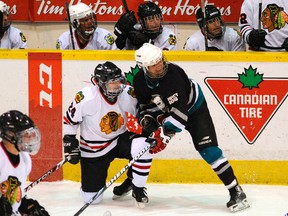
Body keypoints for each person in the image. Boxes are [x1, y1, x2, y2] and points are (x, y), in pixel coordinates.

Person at [126, 43, 250, 212]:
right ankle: (134, 183)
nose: (160, 65)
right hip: (169, 110)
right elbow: (145, 106)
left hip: (194, 109)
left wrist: (163, 133)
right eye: (153, 64)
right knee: (143, 141)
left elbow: (181, 116)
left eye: (160, 60)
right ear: (144, 67)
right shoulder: (139, 80)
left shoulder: (174, 74)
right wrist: (148, 121)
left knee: (209, 150)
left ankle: (235, 190)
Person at [62, 61, 162, 208]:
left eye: (118, 81)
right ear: (100, 83)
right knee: (92, 199)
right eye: (112, 82)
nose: (117, 86)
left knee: (144, 145)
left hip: (119, 140)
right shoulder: (86, 97)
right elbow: (70, 120)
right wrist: (70, 143)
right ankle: (88, 185)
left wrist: (149, 121)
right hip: (93, 148)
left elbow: (145, 111)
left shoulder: (129, 94)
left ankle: (136, 185)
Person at [0, 110, 49, 216]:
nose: (30, 137)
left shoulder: (25, 159)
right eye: (25, 134)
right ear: (10, 135)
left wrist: (27, 205)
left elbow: (18, 195)